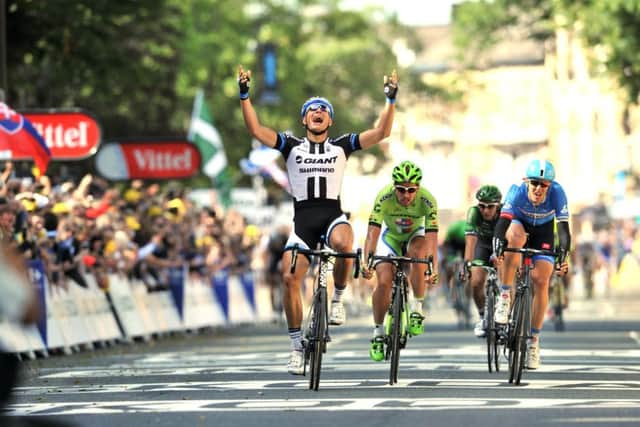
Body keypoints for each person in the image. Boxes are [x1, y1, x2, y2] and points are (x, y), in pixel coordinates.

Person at [238, 65, 398, 375]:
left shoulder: (341, 145)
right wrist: (244, 95)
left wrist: (390, 101)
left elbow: (381, 133)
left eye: (324, 108)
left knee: (344, 240)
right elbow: (257, 131)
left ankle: (337, 297)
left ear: (330, 120)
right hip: (303, 223)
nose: (318, 111)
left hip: (331, 215)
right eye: (312, 109)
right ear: (304, 120)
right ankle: (296, 345)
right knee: (289, 278)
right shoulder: (290, 145)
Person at [492, 159, 571, 370]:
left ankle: (534, 341)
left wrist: (563, 256)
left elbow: (563, 231)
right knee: (515, 238)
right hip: (519, 225)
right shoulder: (516, 191)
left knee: (541, 279)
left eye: (543, 184)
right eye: (534, 183)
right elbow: (502, 224)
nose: (538, 188)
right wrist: (499, 244)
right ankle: (505, 295)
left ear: (550, 185)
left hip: (544, 231)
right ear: (527, 181)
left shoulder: (557, 192)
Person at [362, 161, 439, 361]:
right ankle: (378, 332)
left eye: (411, 190)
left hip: (415, 235)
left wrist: (433, 267)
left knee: (419, 253)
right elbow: (372, 233)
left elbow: (432, 238)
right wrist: (366, 261)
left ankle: (417, 308)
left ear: (418, 188)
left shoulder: (428, 200)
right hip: (391, 238)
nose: (406, 195)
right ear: (394, 187)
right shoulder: (384, 197)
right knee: (384, 280)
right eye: (401, 190)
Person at [461, 185, 502, 338]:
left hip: (502, 246)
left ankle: (506, 315)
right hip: (483, 246)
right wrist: (467, 264)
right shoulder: (474, 213)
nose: (485, 211)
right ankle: (483, 316)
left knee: (507, 280)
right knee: (476, 281)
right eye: (482, 206)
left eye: (490, 207)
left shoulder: (505, 213)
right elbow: (470, 241)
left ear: (498, 205)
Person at [441, 219, 471, 328]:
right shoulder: (453, 230)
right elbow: (445, 246)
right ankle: (451, 288)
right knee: (449, 266)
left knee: (468, 268)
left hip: (466, 246)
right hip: (453, 246)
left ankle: (467, 292)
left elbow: (471, 249)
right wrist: (445, 259)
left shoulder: (470, 233)